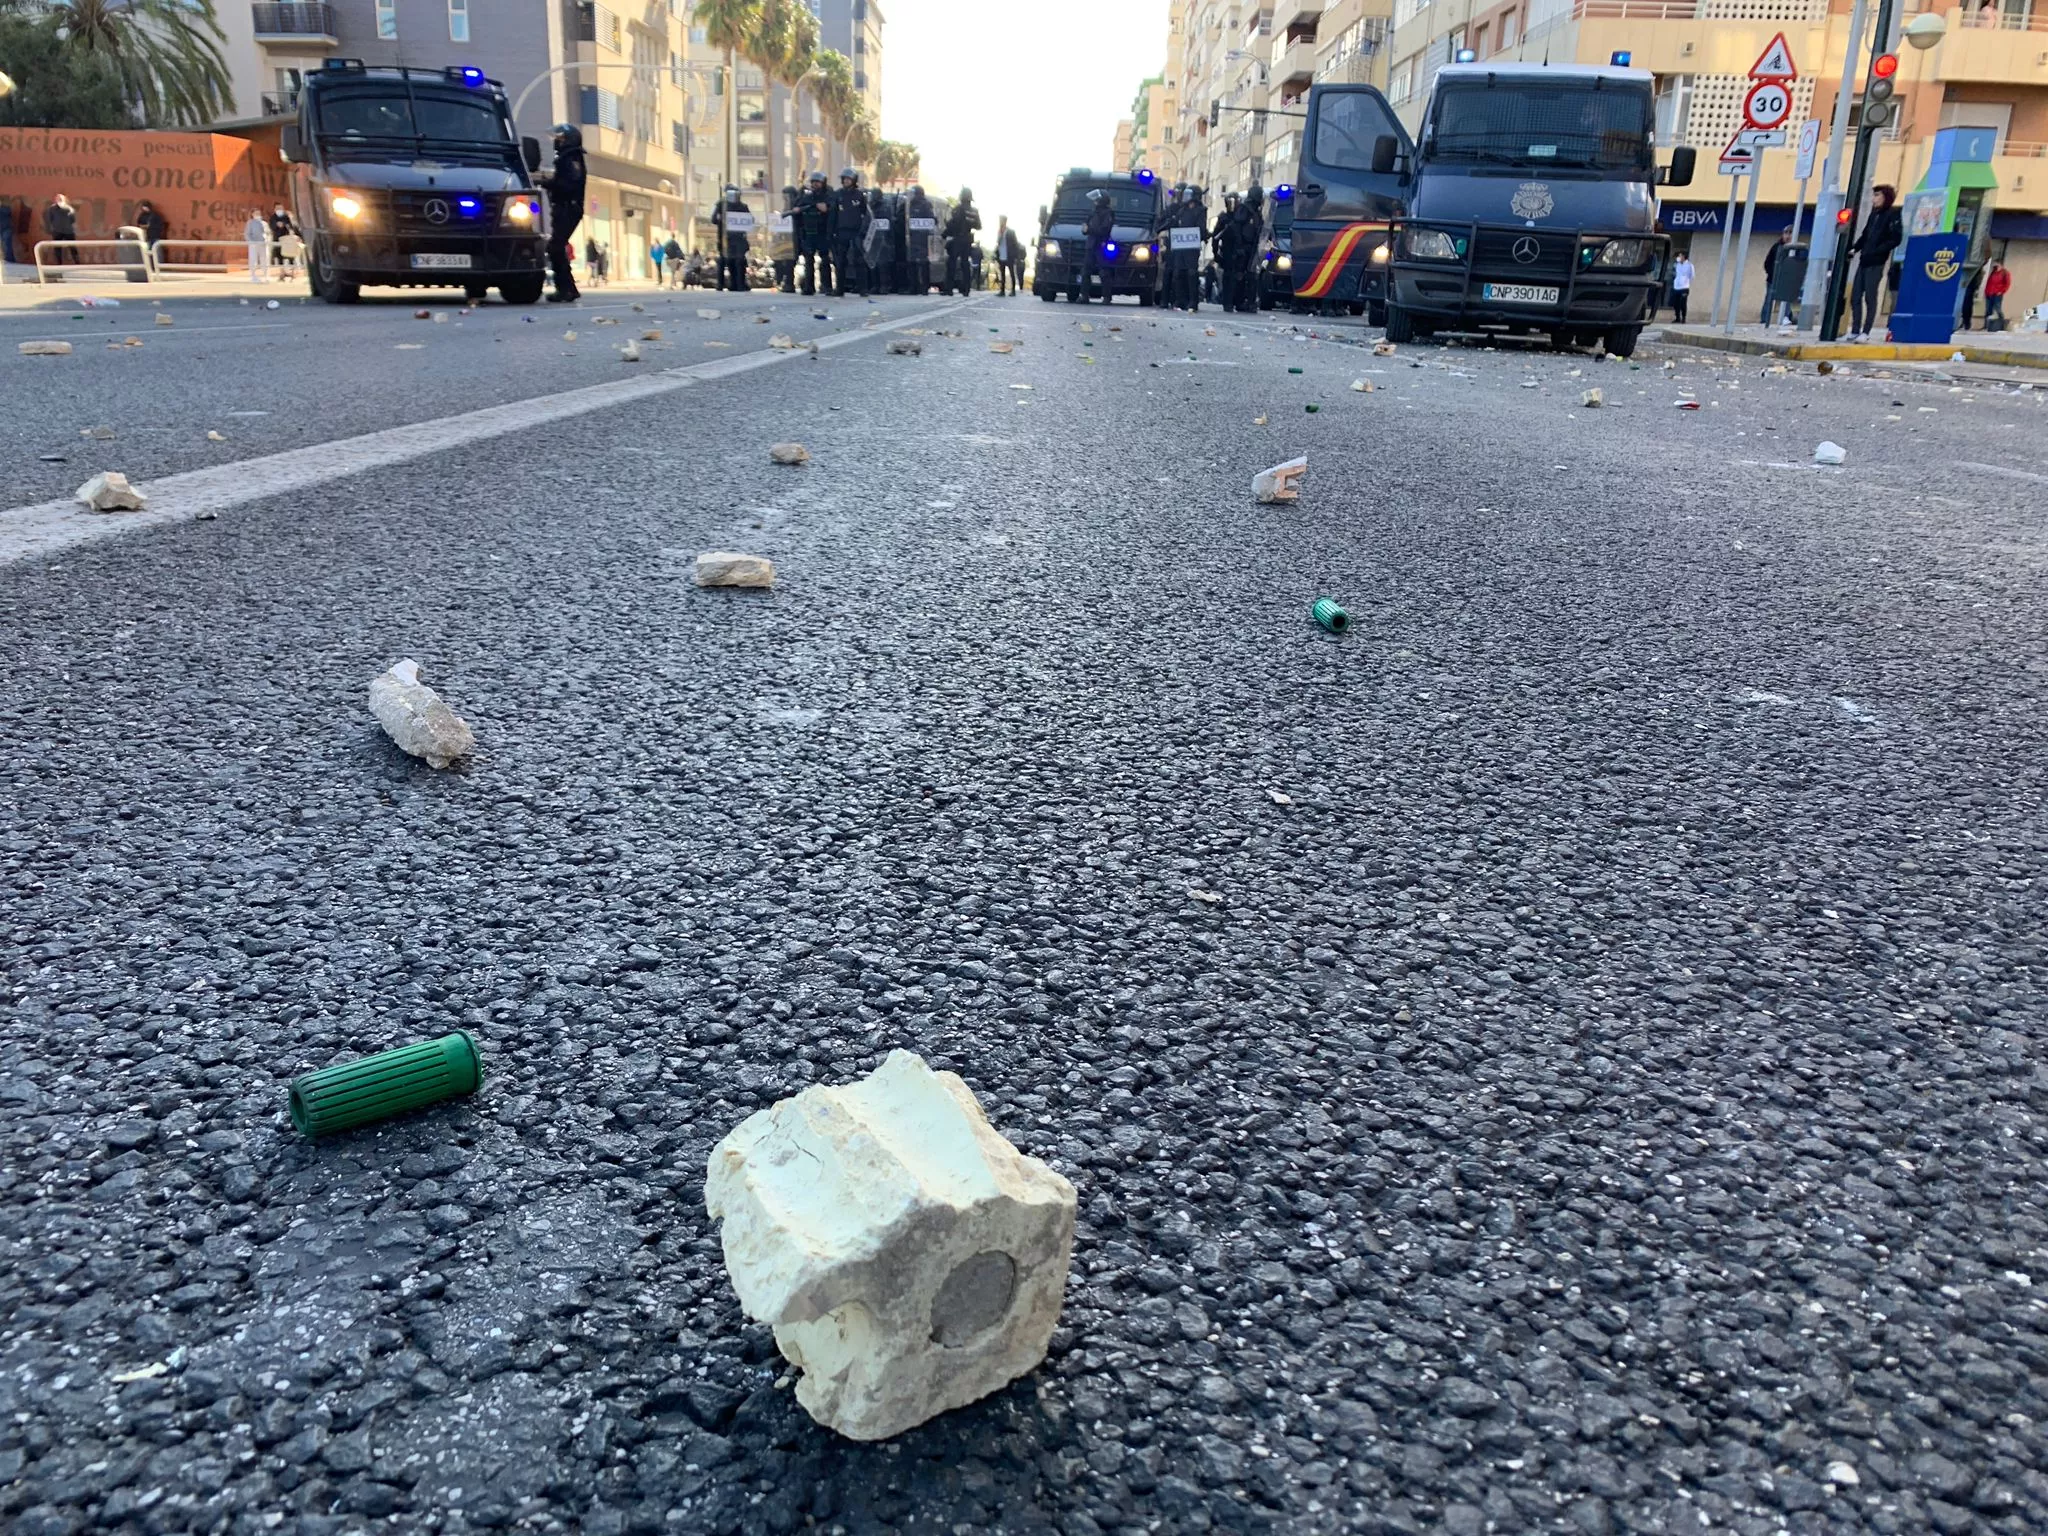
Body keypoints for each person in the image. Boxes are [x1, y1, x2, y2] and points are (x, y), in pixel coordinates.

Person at [1847, 184, 1901, 342]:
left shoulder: (1892, 215)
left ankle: (1866, 331)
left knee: (1870, 297)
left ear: (1886, 197)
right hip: (1864, 260)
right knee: (1855, 296)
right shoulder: (1873, 214)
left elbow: (1895, 239)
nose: (1874, 199)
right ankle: (1855, 330)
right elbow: (1865, 235)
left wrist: (1878, 250)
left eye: (1877, 195)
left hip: (1876, 262)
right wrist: (1854, 249)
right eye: (1874, 195)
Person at [542, 123, 586, 302]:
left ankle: (565, 289)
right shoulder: (566, 158)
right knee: (557, 247)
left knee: (556, 247)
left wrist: (548, 183)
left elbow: (570, 184)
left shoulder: (572, 159)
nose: (557, 142)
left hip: (569, 207)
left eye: (560, 138)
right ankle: (569, 289)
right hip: (565, 206)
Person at [1070, 189, 1114, 303]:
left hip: (1101, 245)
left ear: (1101, 201)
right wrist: (1085, 229)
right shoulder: (1093, 212)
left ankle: (1106, 297)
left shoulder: (1108, 213)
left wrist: (1089, 229)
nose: (1094, 202)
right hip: (1091, 245)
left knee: (1104, 272)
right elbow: (1086, 226)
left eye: (1097, 200)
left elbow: (1104, 230)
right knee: (1086, 272)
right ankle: (1084, 295)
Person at [830, 168, 868, 297]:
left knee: (859, 261)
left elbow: (865, 214)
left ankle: (862, 288)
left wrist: (863, 231)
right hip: (841, 232)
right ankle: (839, 289)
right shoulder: (837, 195)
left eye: (848, 179)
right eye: (844, 179)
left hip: (856, 232)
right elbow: (833, 215)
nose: (846, 181)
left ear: (853, 180)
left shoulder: (859, 195)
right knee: (840, 261)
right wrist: (832, 232)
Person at [795, 171, 833, 297]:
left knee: (825, 260)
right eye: (813, 182)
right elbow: (798, 208)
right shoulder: (807, 197)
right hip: (809, 233)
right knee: (808, 261)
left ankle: (826, 286)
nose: (815, 184)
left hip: (822, 233)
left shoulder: (827, 196)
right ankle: (809, 287)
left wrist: (820, 206)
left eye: (818, 182)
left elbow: (828, 208)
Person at [1213, 191, 1247, 311]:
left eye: (1235, 201)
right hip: (1227, 251)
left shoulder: (1242, 217)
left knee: (1240, 279)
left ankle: (1239, 302)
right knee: (1228, 278)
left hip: (1240, 252)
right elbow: (1215, 236)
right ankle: (1227, 303)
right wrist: (1215, 253)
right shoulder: (1223, 218)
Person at [944, 187, 981, 296]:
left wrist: (944, 233)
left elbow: (952, 224)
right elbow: (978, 226)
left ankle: (949, 289)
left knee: (952, 263)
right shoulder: (974, 211)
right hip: (968, 240)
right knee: (965, 264)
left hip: (957, 239)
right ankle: (966, 289)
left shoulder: (958, 209)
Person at [1234, 184, 1266, 313]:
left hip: (1253, 247)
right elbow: (1237, 228)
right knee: (1241, 276)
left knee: (1252, 276)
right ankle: (1240, 301)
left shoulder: (1257, 212)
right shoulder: (1244, 209)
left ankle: (1250, 302)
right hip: (1244, 247)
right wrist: (1239, 246)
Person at [715, 185, 751, 291]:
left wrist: (721, 220)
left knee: (730, 261)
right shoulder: (724, 205)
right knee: (735, 261)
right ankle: (737, 284)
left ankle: (727, 284)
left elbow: (713, 219)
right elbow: (749, 221)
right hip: (734, 238)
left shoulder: (722, 205)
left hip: (728, 239)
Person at [904, 184, 936, 294]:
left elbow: (932, 219)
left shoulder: (925, 204)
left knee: (923, 263)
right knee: (912, 263)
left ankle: (924, 287)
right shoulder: (910, 205)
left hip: (922, 238)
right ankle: (914, 287)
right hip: (912, 237)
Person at [1761, 230, 1791, 324]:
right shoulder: (1776, 247)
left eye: (1790, 234)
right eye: (1786, 233)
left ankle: (1786, 317)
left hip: (1786, 279)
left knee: (1786, 299)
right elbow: (1767, 263)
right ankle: (1765, 319)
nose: (1787, 236)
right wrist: (1772, 273)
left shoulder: (1793, 249)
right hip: (1773, 279)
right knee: (1769, 299)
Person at [773, 187, 799, 292]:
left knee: (790, 261)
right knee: (786, 261)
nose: (785, 199)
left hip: (795, 237)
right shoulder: (787, 208)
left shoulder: (795, 206)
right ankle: (786, 283)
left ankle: (789, 284)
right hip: (786, 238)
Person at [44, 194, 78, 265]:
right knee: (58, 248)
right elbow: (50, 219)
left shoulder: (69, 208)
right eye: (57, 198)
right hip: (59, 231)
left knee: (72, 248)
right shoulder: (53, 208)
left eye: (60, 198)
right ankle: (59, 264)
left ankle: (77, 263)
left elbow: (72, 219)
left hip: (67, 231)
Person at [995, 216, 1025, 296]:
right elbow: (998, 242)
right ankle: (1002, 290)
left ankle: (1013, 290)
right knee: (1002, 273)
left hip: (1009, 255)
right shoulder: (999, 231)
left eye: (1001, 220)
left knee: (1012, 273)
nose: (1000, 222)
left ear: (1005, 221)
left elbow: (1015, 244)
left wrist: (1015, 256)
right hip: (1001, 255)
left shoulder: (1011, 232)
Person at [244, 209, 271, 281]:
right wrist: (251, 242)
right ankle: (253, 276)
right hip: (253, 244)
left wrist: (267, 240)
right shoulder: (250, 223)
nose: (258, 214)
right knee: (253, 260)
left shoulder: (264, 223)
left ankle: (266, 276)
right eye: (256, 213)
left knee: (265, 259)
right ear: (252, 214)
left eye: (259, 213)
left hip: (263, 244)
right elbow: (247, 234)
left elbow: (268, 233)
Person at [1985, 258, 2011, 328]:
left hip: (1997, 293)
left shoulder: (2005, 273)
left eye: (1996, 264)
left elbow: (2007, 283)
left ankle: (2001, 324)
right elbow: (1989, 282)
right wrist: (1986, 292)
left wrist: (2002, 291)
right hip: (1990, 292)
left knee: (1997, 308)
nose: (1995, 265)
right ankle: (1986, 325)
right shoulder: (1993, 272)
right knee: (1988, 309)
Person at [1669, 251, 1694, 323]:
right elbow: (1675, 273)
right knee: (1675, 303)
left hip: (1684, 287)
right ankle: (1677, 318)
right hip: (1676, 286)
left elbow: (1692, 276)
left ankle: (1683, 317)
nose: (1678, 258)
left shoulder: (1689, 265)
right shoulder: (1677, 265)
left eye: (1680, 256)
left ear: (1684, 257)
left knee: (1683, 303)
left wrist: (1685, 280)